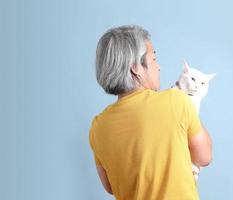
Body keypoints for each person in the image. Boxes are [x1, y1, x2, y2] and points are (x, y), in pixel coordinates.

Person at [88, 25, 212, 200]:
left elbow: (110, 187)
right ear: (136, 68)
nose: (158, 66)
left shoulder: (98, 127)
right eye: (154, 59)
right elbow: (204, 156)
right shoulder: (176, 101)